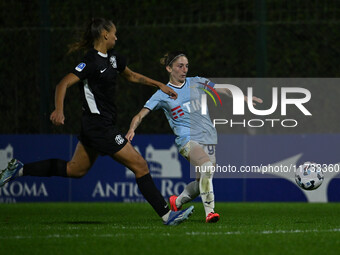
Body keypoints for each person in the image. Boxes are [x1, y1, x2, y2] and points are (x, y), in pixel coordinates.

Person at [0, 19, 194, 226]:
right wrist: (59, 109)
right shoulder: (90, 61)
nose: (116, 37)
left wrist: (159, 85)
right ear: (104, 34)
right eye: (114, 33)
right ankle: (167, 215)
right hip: (98, 126)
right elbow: (63, 84)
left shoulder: (114, 58)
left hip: (98, 126)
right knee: (140, 165)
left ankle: (18, 169)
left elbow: (132, 76)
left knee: (75, 169)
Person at [126, 52, 262, 223]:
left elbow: (223, 89)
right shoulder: (163, 94)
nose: (184, 70)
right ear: (169, 68)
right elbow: (139, 115)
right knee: (206, 167)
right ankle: (210, 212)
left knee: (203, 181)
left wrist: (243, 97)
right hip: (187, 140)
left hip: (208, 137)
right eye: (180, 66)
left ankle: (178, 201)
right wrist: (132, 129)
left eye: (187, 66)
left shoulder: (196, 82)